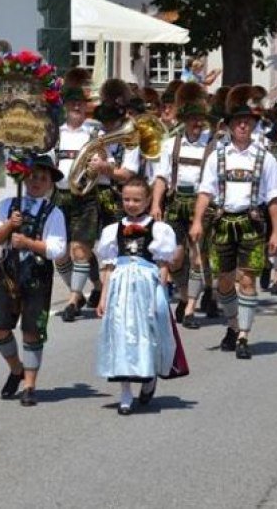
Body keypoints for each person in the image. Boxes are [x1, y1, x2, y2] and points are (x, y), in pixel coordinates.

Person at [190, 85, 277, 359]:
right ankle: (232, 325)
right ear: (229, 126)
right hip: (222, 222)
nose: (243, 125)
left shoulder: (264, 158)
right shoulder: (217, 156)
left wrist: (276, 233)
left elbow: (275, 198)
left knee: (247, 280)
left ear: (254, 126)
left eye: (248, 122)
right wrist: (197, 221)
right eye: (238, 122)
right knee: (224, 283)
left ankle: (243, 334)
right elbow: (205, 191)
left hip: (251, 222)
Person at [0, 156, 67, 407]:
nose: (36, 181)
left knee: (32, 330)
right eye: (32, 176)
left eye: (43, 178)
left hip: (37, 275)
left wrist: (30, 243)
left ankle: (30, 385)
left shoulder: (54, 213)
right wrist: (10, 225)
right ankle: (16, 368)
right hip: (8, 273)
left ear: (50, 184)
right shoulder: (9, 205)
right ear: (23, 177)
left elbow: (57, 249)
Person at [95, 176, 178, 415]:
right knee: (121, 333)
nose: (131, 204)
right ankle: (125, 392)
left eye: (137, 200)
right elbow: (109, 267)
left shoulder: (159, 229)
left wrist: (159, 292)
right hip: (120, 285)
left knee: (148, 332)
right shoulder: (113, 230)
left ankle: (149, 375)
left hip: (146, 284)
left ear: (148, 200)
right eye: (127, 199)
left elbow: (163, 265)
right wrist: (103, 298)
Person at [151, 82, 215, 328]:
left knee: (199, 256)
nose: (197, 124)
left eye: (200, 119)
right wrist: (156, 203)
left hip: (203, 203)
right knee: (176, 257)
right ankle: (189, 291)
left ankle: (190, 308)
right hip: (177, 202)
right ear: (184, 120)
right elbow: (161, 177)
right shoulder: (171, 144)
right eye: (192, 119)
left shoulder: (214, 144)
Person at [52, 68, 104, 321]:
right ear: (64, 106)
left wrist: (101, 166)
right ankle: (82, 290)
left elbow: (109, 165)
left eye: (80, 103)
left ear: (86, 106)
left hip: (85, 198)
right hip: (59, 198)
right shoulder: (55, 133)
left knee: (80, 250)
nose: (76, 107)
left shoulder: (96, 133)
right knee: (59, 253)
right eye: (72, 103)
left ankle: (73, 299)